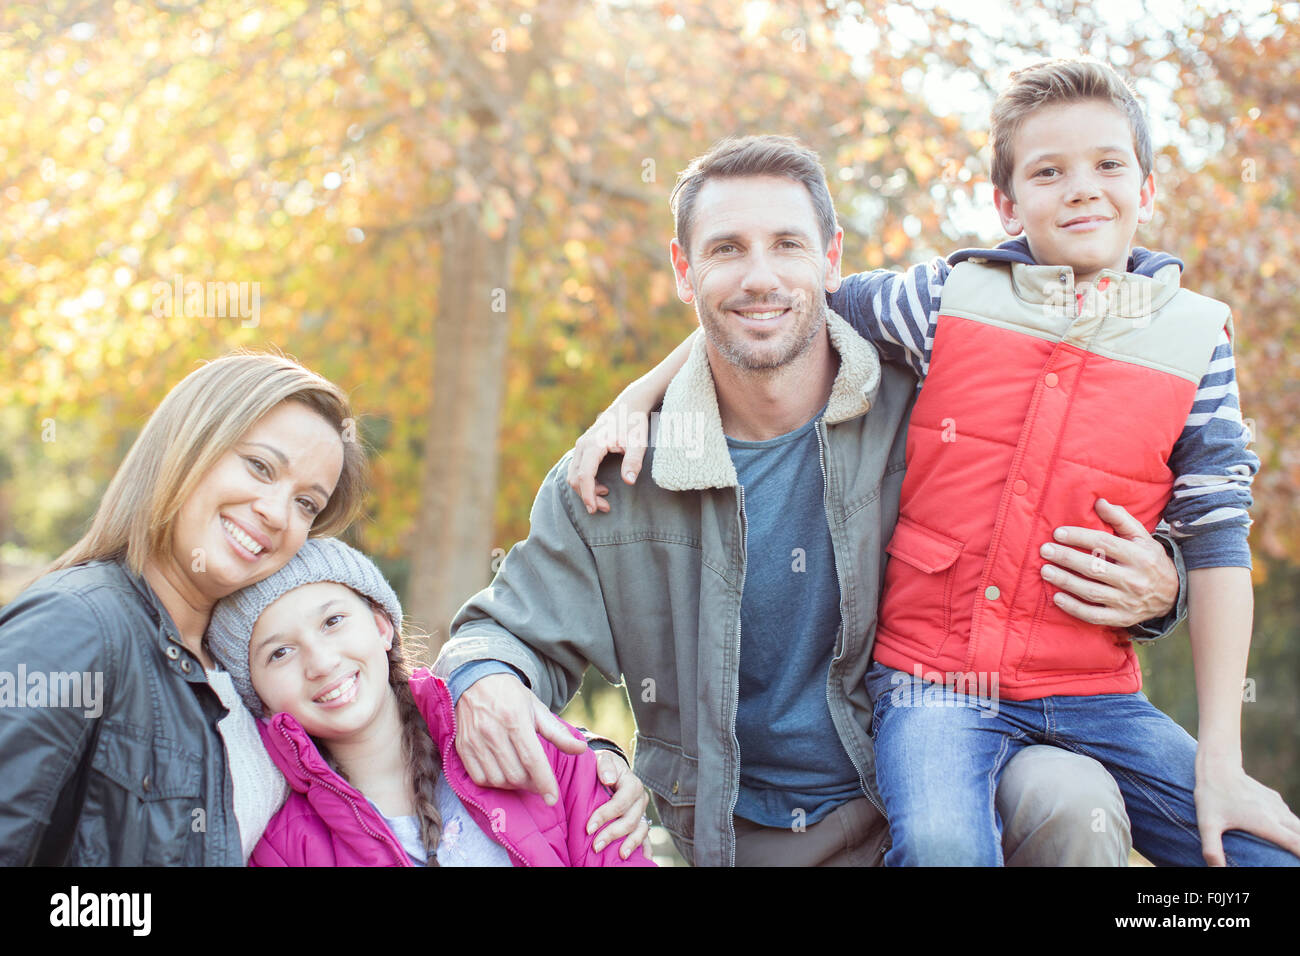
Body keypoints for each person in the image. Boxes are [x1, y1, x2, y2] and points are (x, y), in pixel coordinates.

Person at [572, 63, 1300, 866]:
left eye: (1108, 165)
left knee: (1255, 851)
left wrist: (1221, 761)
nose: (1082, 190)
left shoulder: (1195, 340)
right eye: (1048, 172)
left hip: (1095, 695)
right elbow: (774, 305)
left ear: (1148, 188)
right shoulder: (945, 301)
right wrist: (642, 393)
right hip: (934, 686)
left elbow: (1219, 536)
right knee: (948, 846)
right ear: (1006, 202)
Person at [437, 135, 1184, 866]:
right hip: (746, 842)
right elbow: (503, 630)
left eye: (787, 245)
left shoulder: (938, 406)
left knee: (1066, 795)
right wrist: (486, 679)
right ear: (683, 270)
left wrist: (1166, 583)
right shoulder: (621, 471)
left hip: (956, 787)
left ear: (831, 260)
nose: (760, 276)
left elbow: (1079, 473)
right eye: (727, 249)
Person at [0, 351, 647, 865]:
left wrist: (588, 758)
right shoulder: (83, 624)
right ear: (186, 446)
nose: (277, 514)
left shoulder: (219, 673)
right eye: (258, 467)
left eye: (306, 502)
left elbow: (380, 717)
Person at [206, 537, 654, 867]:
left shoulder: (536, 749)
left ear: (383, 627)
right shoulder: (283, 851)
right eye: (279, 653)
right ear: (258, 696)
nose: (320, 662)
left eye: (333, 621)